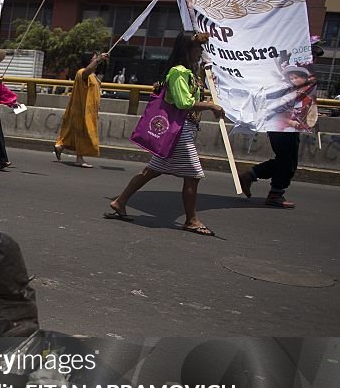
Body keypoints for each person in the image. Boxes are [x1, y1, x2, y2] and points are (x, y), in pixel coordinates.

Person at [105, 31, 224, 237]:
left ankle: (120, 201)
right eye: (198, 48)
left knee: (151, 171)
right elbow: (183, 103)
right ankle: (191, 220)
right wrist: (211, 106)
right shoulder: (179, 72)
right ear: (189, 49)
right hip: (179, 132)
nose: (201, 52)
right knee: (193, 175)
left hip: (180, 130)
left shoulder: (188, 72)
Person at [238, 41, 325, 209]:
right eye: (311, 54)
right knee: (287, 160)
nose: (314, 59)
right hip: (279, 123)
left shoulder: (304, 77)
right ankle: (275, 192)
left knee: (287, 159)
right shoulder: (285, 76)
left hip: (290, 125)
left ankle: (251, 176)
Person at [54, 52, 110, 168]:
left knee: (74, 132)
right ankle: (79, 159)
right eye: (94, 59)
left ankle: (60, 146)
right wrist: (98, 60)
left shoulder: (93, 76)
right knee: (83, 134)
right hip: (82, 111)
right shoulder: (82, 73)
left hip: (89, 110)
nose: (97, 60)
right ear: (89, 61)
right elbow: (86, 72)